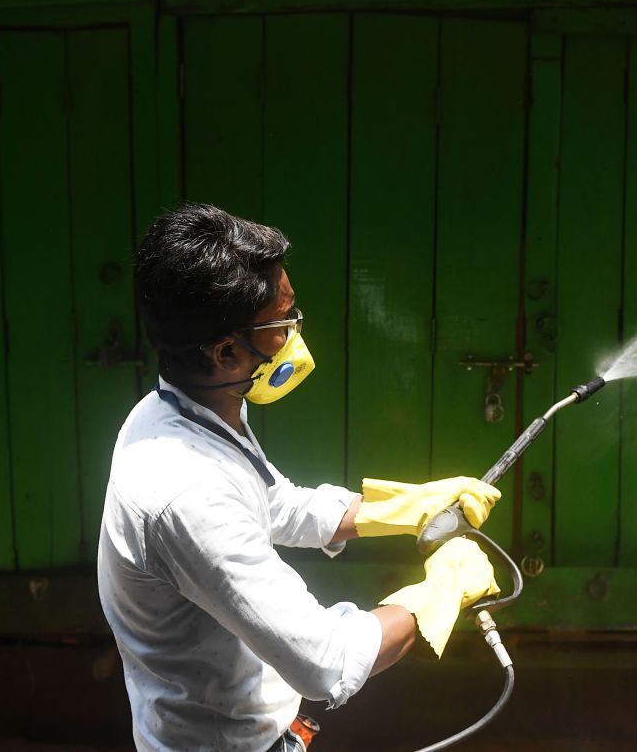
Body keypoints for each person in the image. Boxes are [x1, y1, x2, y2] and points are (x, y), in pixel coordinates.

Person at [97, 203, 502, 752]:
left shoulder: (177, 411)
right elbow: (325, 662)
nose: (293, 334)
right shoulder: (185, 495)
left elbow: (270, 504)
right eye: (280, 323)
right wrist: (437, 593)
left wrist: (393, 510)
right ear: (225, 351)